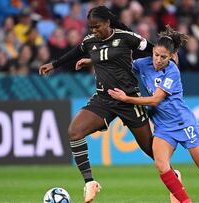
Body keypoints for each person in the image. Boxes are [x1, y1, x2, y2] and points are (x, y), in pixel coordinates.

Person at [108, 27, 199, 203]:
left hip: (184, 123)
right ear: (152, 51)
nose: (158, 60)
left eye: (164, 57)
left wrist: (126, 99)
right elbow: (120, 64)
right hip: (163, 128)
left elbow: (155, 100)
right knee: (161, 164)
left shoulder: (172, 71)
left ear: (171, 57)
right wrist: (92, 61)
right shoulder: (143, 64)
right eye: (156, 55)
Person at [39, 6, 156, 203]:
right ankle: (89, 183)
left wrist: (169, 58)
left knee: (152, 151)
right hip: (103, 99)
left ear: (108, 23)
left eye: (97, 26)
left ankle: (173, 178)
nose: (94, 31)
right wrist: (54, 64)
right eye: (91, 27)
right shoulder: (90, 41)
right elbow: (77, 51)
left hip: (128, 99)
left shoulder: (126, 37)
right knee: (74, 132)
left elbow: (153, 50)